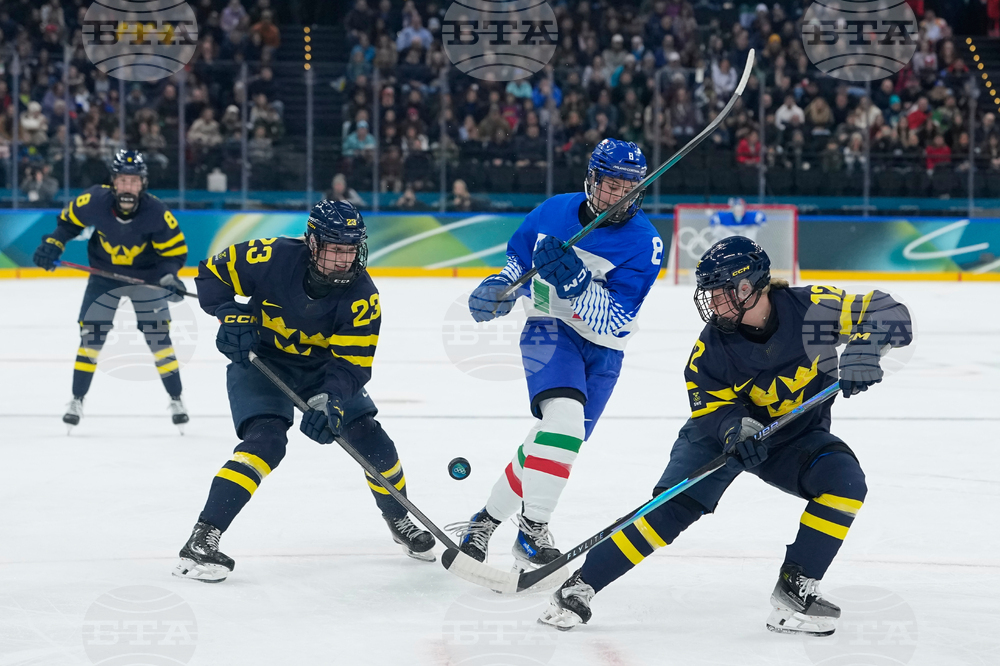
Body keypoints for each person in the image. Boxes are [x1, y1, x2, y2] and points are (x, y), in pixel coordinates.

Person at [539, 237, 912, 636]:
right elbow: (712, 411)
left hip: (796, 437)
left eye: (722, 292)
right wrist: (734, 430)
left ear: (751, 285)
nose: (714, 304)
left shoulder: (814, 310)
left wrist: (867, 347)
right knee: (670, 509)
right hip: (720, 438)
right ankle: (581, 585)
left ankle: (795, 589)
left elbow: (890, 312)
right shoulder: (711, 351)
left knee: (845, 483)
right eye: (710, 294)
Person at [173, 200, 435, 582]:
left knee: (372, 441)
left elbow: (352, 364)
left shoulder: (362, 296)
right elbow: (212, 274)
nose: (344, 260)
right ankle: (203, 537)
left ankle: (398, 518)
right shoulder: (271, 257)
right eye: (335, 249)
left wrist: (331, 400)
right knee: (266, 442)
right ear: (312, 243)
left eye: (350, 249)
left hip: (322, 372)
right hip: (261, 362)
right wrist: (228, 313)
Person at [447, 139, 663, 570]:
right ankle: (533, 530)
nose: (619, 196)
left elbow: (615, 320)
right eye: (611, 185)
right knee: (563, 423)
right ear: (592, 179)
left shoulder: (645, 243)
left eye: (629, 188)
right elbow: (519, 259)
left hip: (605, 351)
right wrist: (502, 285)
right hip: (548, 328)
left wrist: (578, 284)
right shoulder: (552, 211)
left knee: (554, 441)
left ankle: (484, 521)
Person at [31, 150, 190, 431]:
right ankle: (76, 400)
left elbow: (174, 254)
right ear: (113, 182)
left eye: (134, 181)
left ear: (143, 183)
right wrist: (53, 244)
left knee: (159, 338)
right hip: (104, 276)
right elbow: (68, 223)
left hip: (146, 279)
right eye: (123, 180)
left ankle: (176, 399)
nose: (128, 187)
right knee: (91, 337)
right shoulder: (94, 200)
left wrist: (169, 277)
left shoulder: (158, 213)